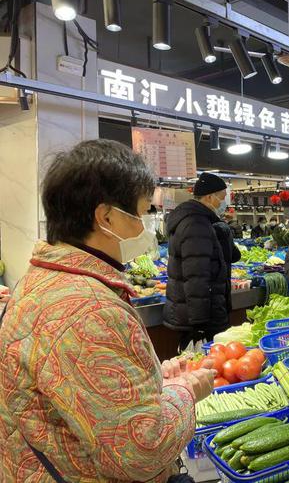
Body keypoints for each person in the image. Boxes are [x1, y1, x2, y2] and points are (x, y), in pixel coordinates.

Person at [0, 139, 215, 482]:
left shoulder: (41, 278)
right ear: (106, 218)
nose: (145, 227)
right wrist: (185, 389)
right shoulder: (89, 310)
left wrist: (151, 379)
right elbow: (141, 450)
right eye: (142, 213)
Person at [165, 172, 230, 350]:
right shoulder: (196, 224)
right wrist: (199, 325)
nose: (224, 203)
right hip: (200, 318)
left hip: (195, 312)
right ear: (210, 197)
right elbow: (196, 276)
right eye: (222, 198)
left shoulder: (197, 220)